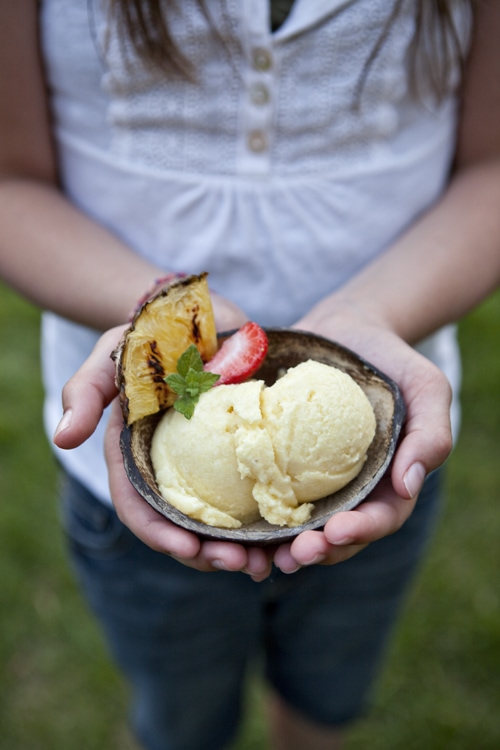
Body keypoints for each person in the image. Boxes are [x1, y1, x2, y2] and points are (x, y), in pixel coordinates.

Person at [1, 1, 500, 748]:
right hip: (133, 494)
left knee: (326, 695)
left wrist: (376, 311)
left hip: (391, 449)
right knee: (181, 717)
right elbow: (11, 180)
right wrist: (161, 325)